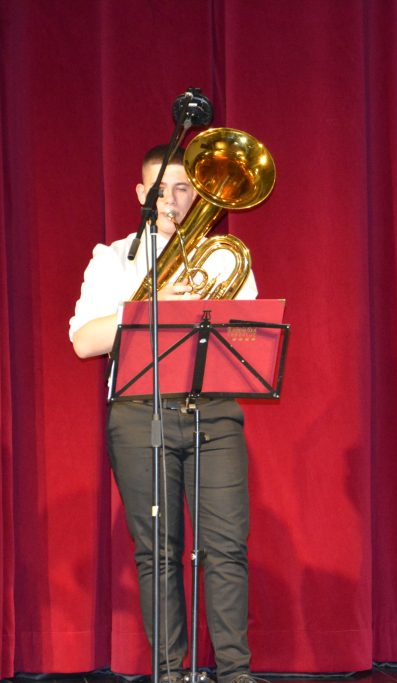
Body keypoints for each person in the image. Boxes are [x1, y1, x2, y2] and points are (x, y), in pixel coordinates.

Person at [69, 145, 258, 683]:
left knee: (226, 549)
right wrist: (152, 305)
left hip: (213, 412)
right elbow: (83, 341)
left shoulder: (222, 258)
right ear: (141, 194)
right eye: (161, 189)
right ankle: (169, 674)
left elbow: (248, 337)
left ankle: (236, 673)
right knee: (159, 552)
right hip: (139, 414)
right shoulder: (114, 259)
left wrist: (199, 307)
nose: (172, 200)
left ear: (199, 193)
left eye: (183, 189)